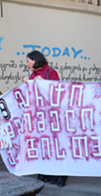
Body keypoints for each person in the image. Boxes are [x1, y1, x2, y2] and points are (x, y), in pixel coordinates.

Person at [23, 50, 67, 187]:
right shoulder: (32, 75)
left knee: (56, 144)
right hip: (40, 117)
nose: (27, 64)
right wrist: (27, 84)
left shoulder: (50, 73)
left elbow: (57, 91)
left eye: (28, 61)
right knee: (44, 144)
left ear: (35, 60)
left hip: (53, 116)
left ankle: (61, 175)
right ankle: (46, 173)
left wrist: (44, 83)